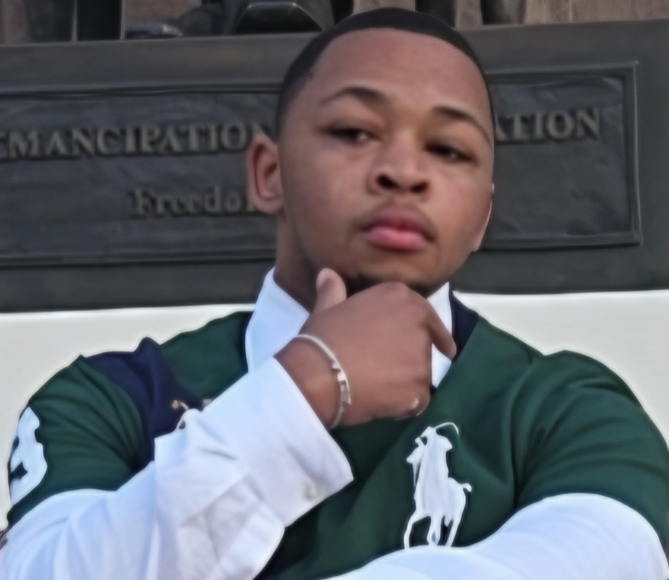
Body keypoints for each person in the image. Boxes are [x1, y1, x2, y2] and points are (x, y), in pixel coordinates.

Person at [1, 8, 668, 580]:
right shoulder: (105, 400)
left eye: (449, 149)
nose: (403, 171)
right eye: (354, 132)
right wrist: (307, 388)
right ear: (268, 174)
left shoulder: (575, 413)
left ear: (482, 217)